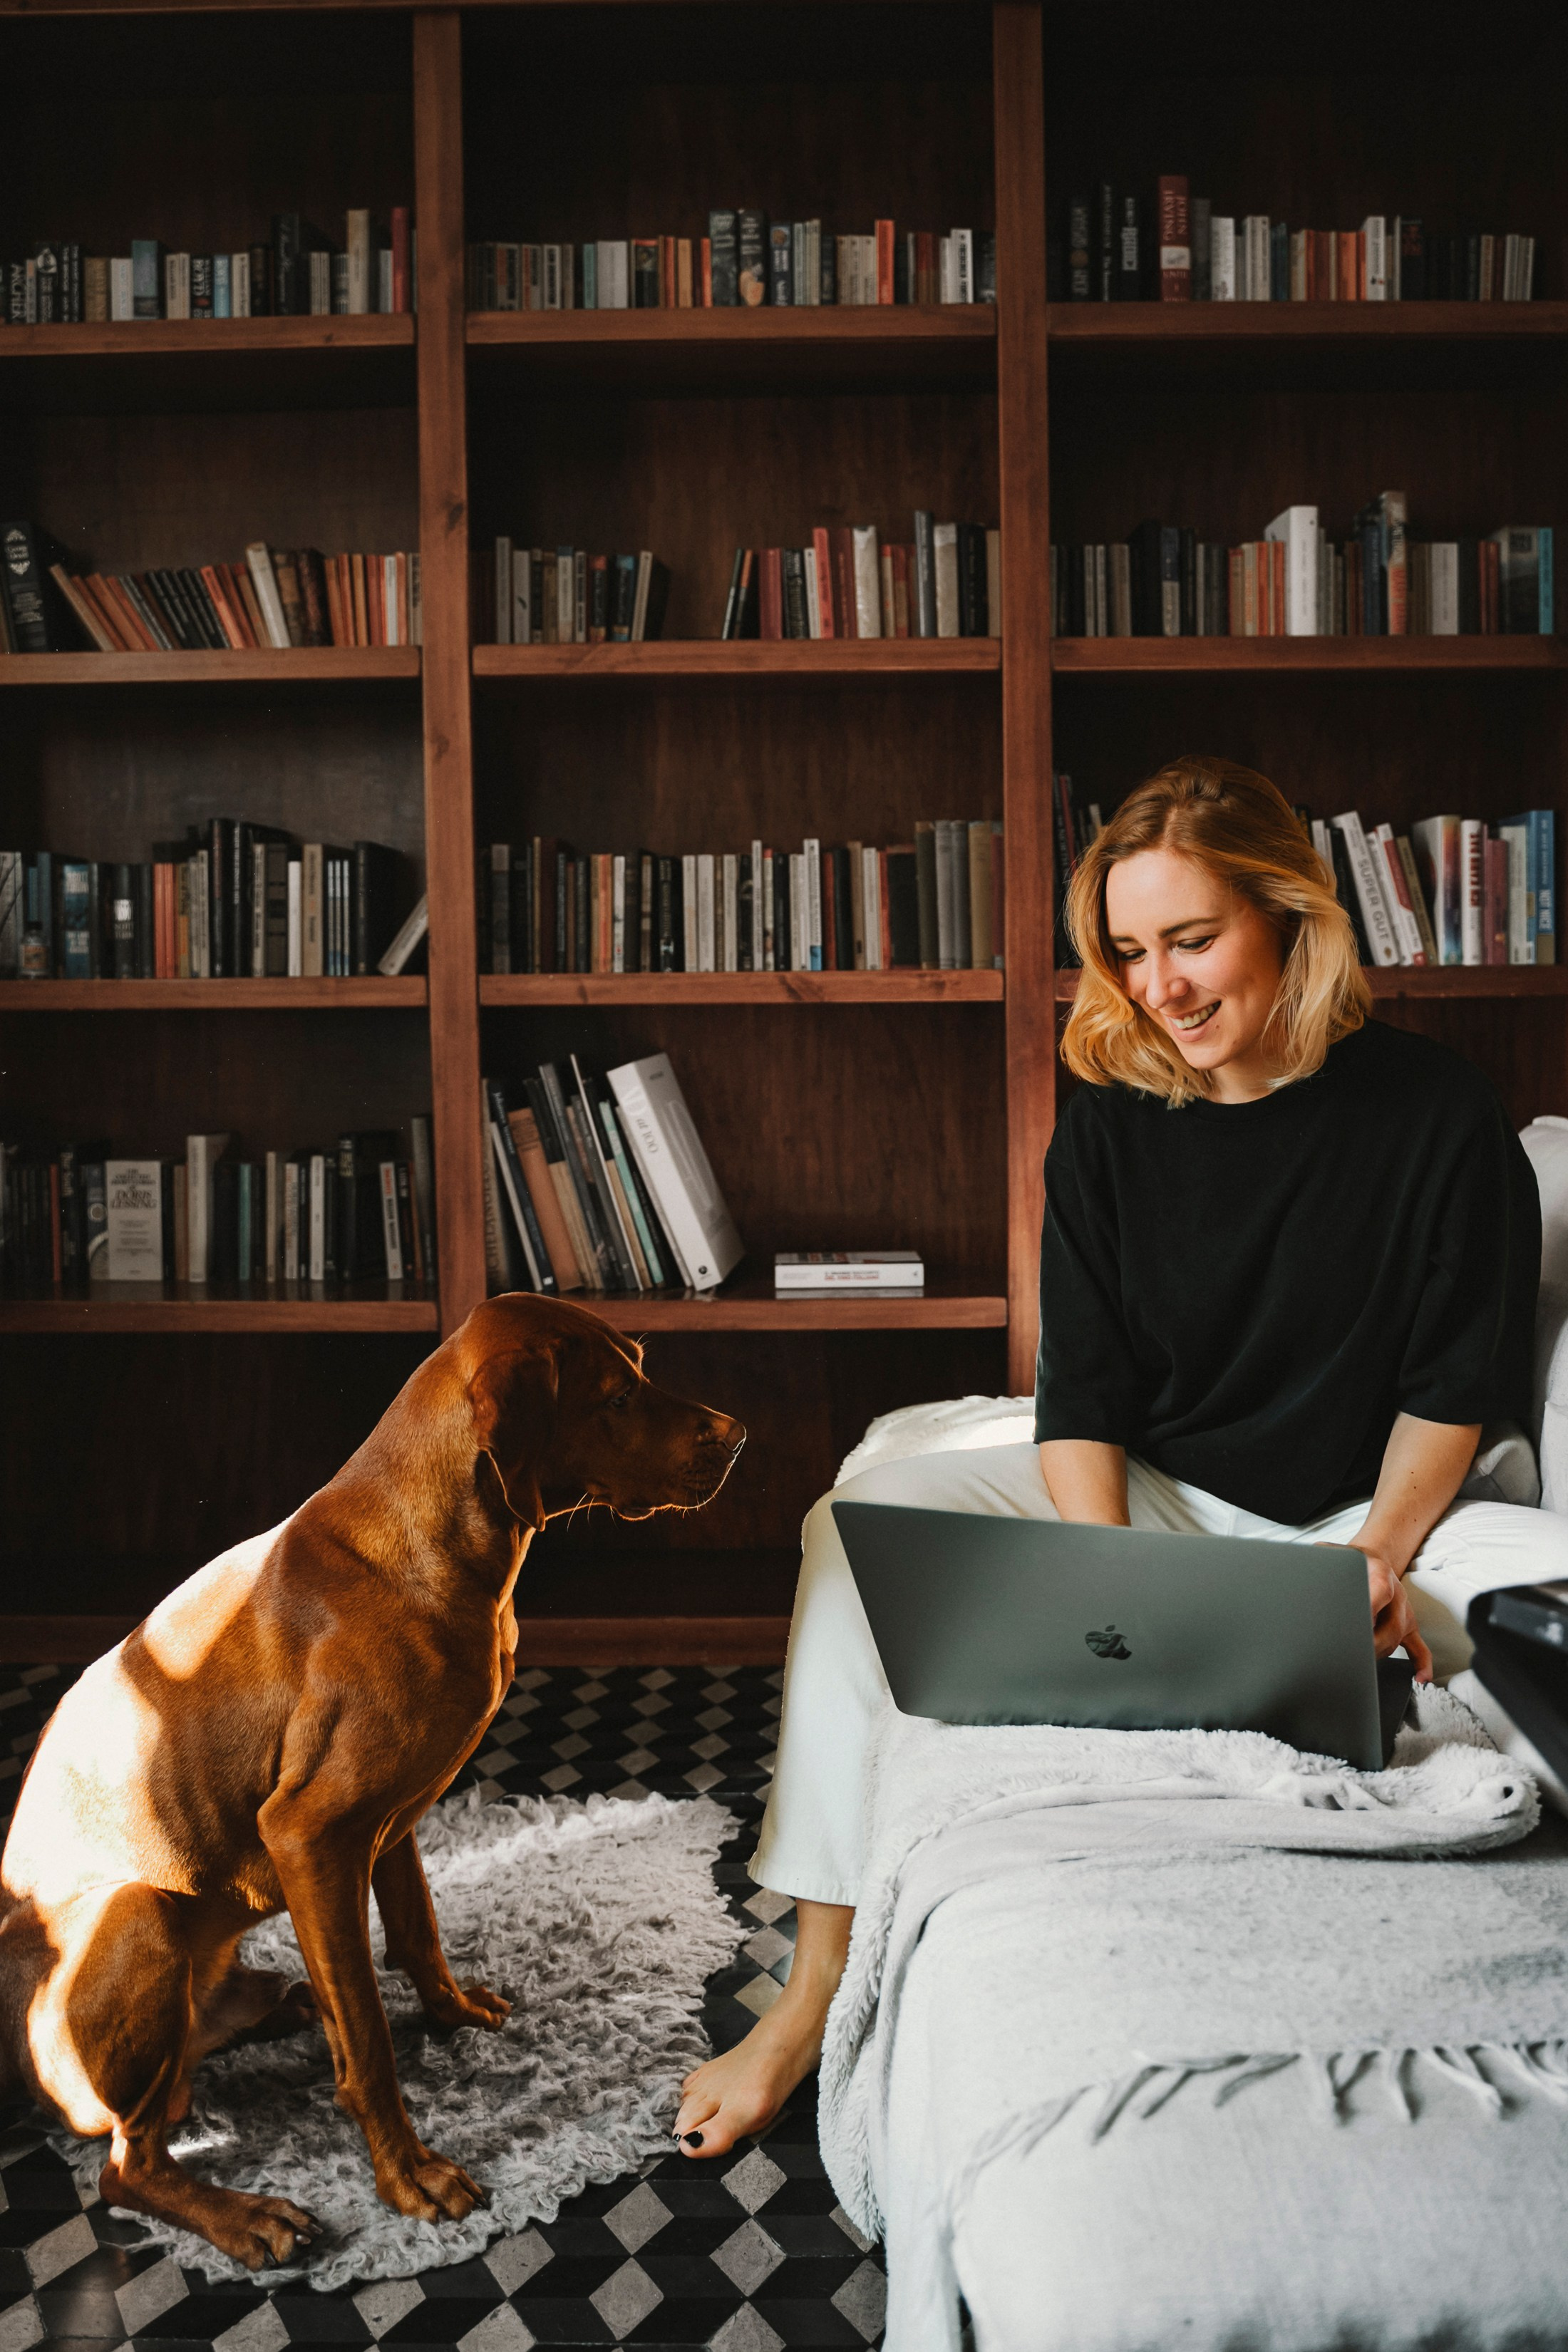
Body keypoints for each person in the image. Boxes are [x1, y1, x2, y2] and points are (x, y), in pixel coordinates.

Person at [673, 753, 1563, 2157]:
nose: (1161, 987)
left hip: (1390, 1500)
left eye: (1193, 940)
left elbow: (1450, 1388)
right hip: (1165, 1495)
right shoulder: (1103, 1130)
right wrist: (1122, 1589)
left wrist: (1368, 1563)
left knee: (1547, 1590)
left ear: (1288, 917)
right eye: (1129, 952)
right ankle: (811, 1984)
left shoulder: (1439, 1113)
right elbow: (1077, 1402)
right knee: (853, 1527)